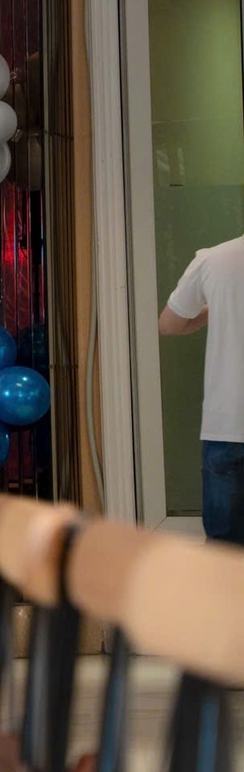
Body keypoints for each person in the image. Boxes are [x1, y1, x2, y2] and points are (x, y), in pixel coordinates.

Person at [159, 234, 244, 546]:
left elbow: (169, 325)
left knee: (224, 550)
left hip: (227, 426)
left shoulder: (213, 260)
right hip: (224, 430)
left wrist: (214, 309)